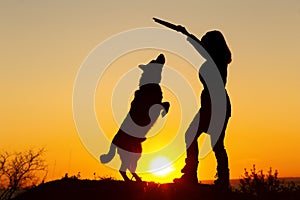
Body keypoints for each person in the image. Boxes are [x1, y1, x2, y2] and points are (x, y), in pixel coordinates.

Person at [174, 30, 232, 189]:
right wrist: (186, 34)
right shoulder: (216, 59)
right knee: (212, 142)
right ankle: (200, 176)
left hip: (216, 105)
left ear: (214, 45)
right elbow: (201, 48)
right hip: (212, 104)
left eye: (207, 42)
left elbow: (200, 48)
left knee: (212, 142)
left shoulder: (217, 60)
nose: (204, 45)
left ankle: (194, 176)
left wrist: (186, 34)